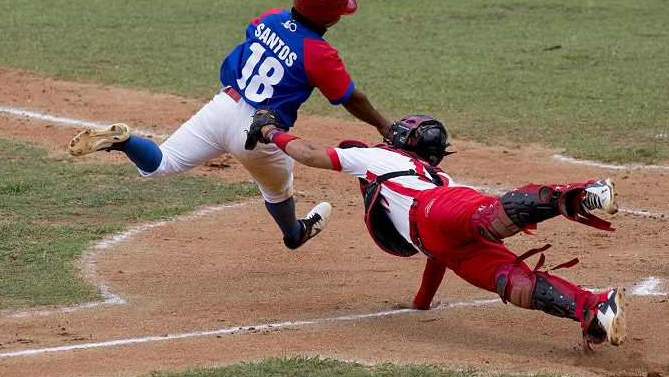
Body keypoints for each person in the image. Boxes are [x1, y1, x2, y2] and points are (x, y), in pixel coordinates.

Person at [249, 113, 628, 353]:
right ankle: (594, 310)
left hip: (433, 206)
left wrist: (270, 131)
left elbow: (309, 153)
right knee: (512, 282)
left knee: (491, 218)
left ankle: (584, 194)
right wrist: (422, 302)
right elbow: (435, 253)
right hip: (442, 242)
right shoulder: (440, 174)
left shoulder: (377, 156)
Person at [68, 0, 392, 250]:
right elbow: (351, 98)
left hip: (222, 107)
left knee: (161, 163)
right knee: (278, 190)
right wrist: (382, 124)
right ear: (329, 18)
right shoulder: (320, 54)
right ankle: (294, 235)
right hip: (260, 132)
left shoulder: (270, 17)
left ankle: (125, 142)